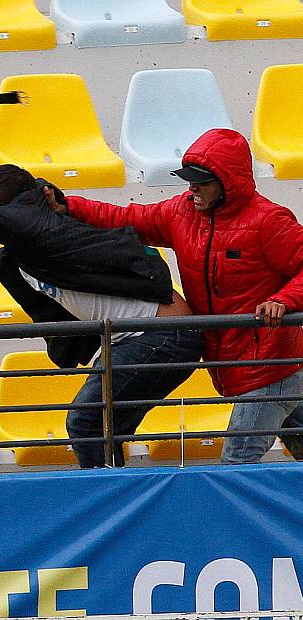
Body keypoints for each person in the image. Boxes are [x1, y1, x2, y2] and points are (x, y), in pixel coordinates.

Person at [0, 165, 204, 467]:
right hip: (137, 337)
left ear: (11, 209)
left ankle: (111, 505)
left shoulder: (38, 227)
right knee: (104, 428)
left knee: (86, 422)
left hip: (162, 335)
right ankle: (119, 500)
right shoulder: (27, 245)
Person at [42, 128, 303, 463]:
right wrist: (68, 206)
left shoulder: (268, 220)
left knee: (237, 465)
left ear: (229, 182)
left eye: (201, 181)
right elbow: (125, 218)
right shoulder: (181, 212)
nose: (191, 188)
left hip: (271, 366)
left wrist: (284, 300)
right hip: (243, 362)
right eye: (189, 180)